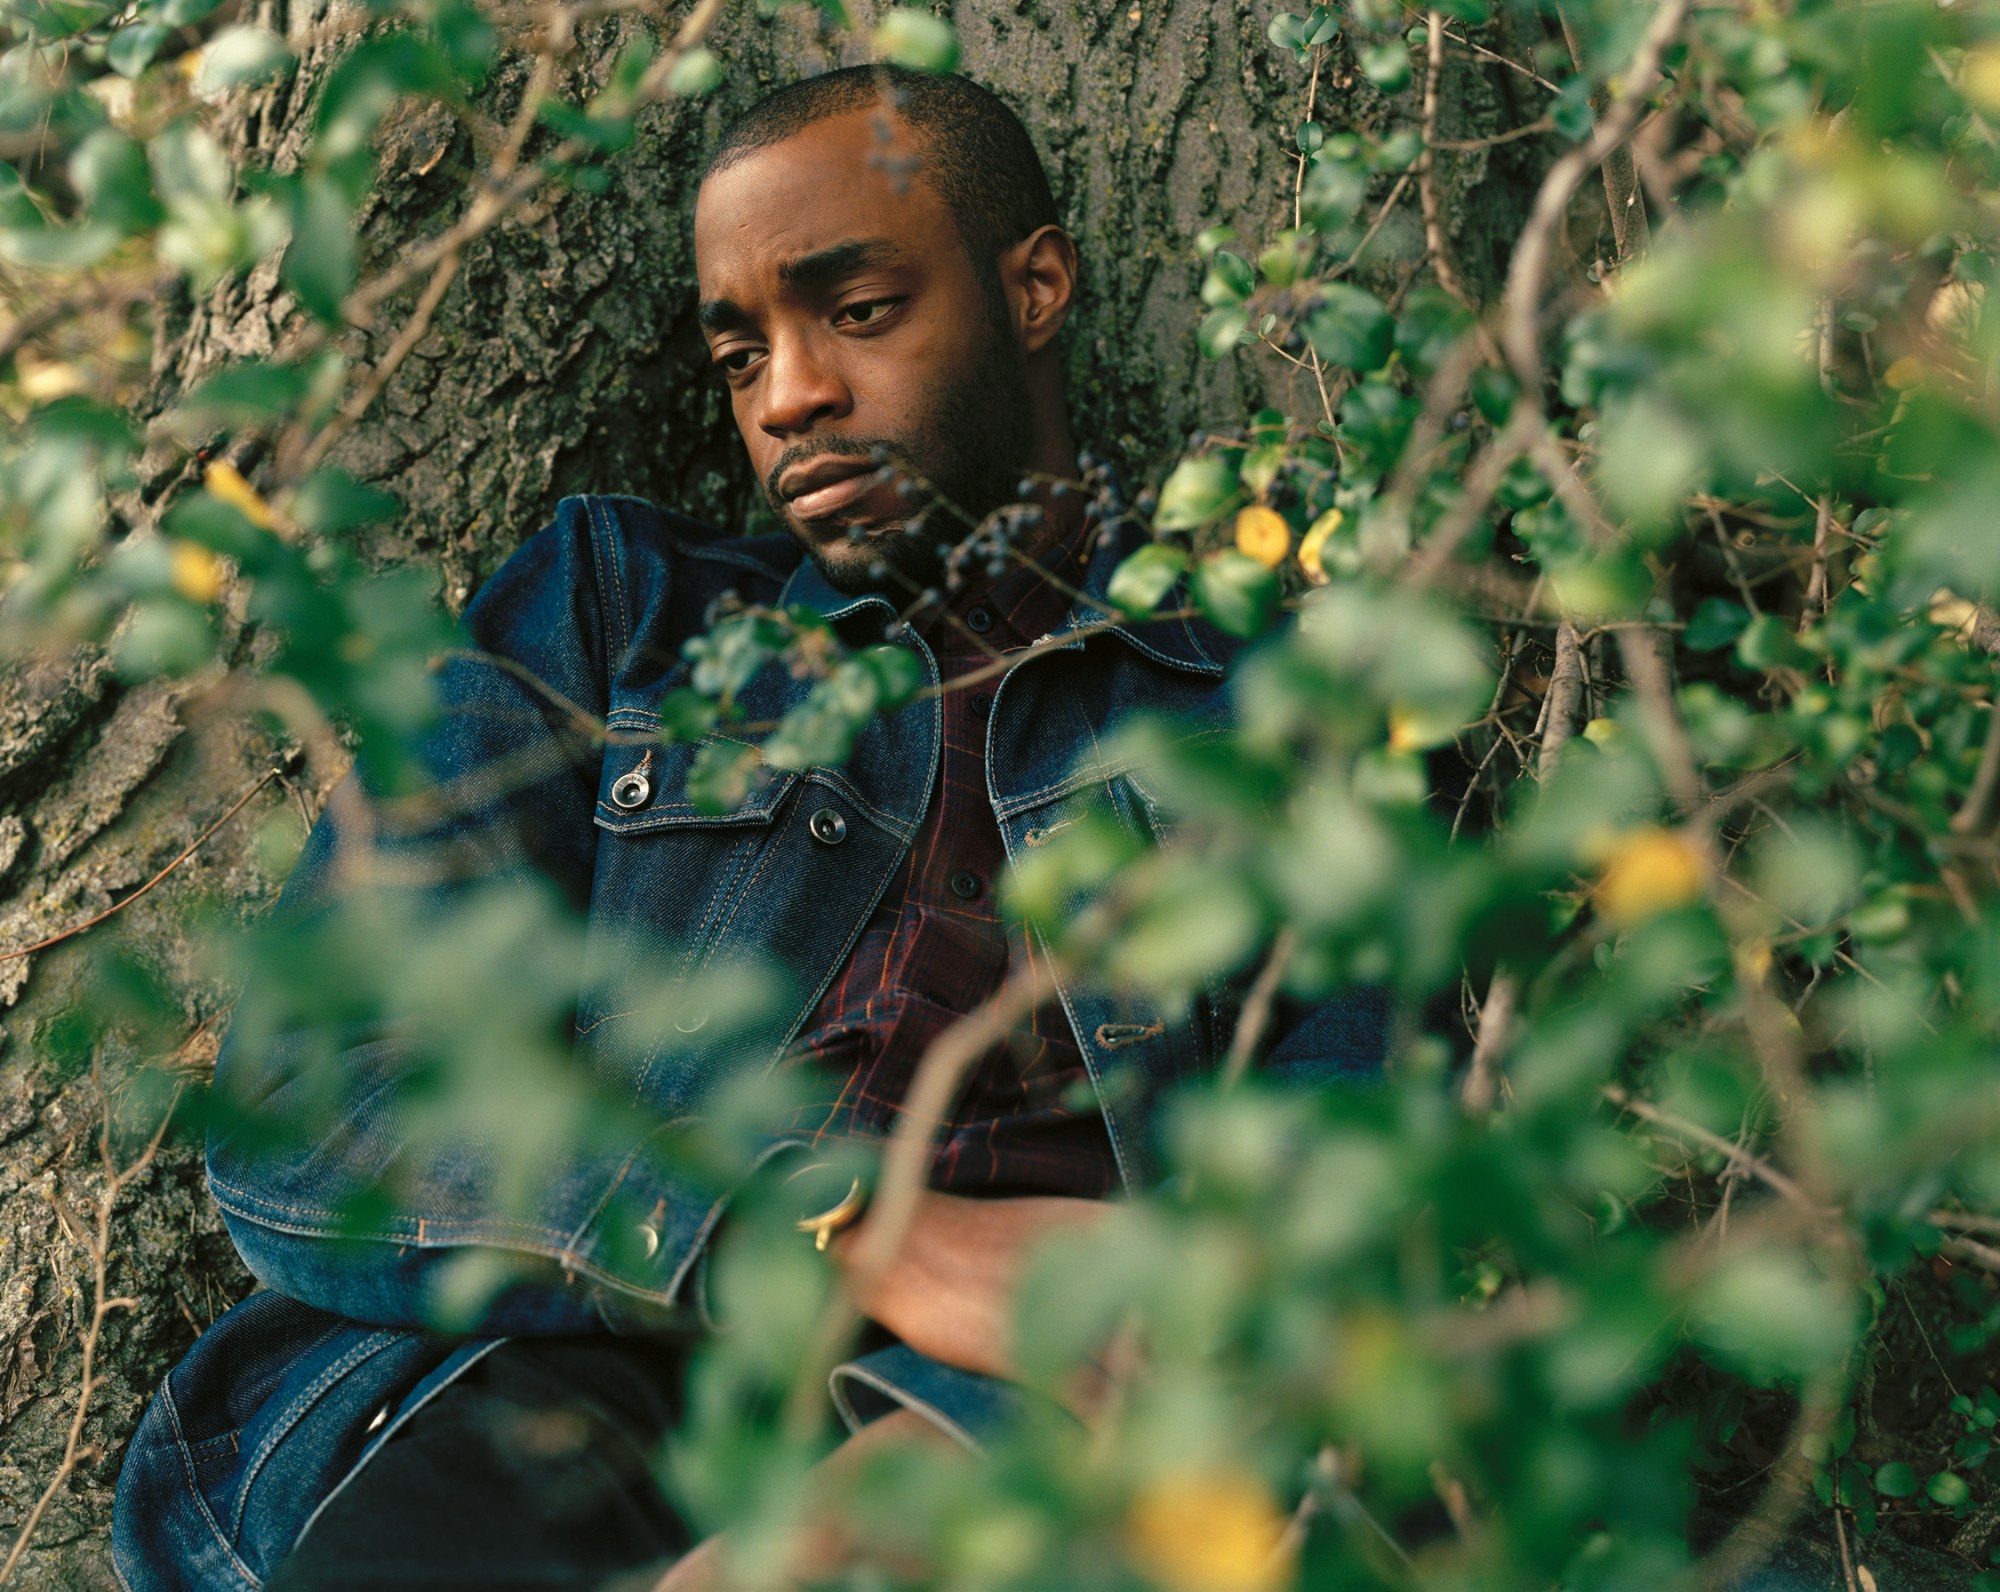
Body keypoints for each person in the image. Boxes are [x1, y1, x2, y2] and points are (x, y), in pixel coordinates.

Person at [110, 64, 1386, 1592]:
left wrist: (959, 1412)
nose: (788, 396)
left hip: (1043, 1417)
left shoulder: (1279, 713)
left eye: (855, 311)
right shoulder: (615, 614)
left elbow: (1350, 1192)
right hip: (569, 1377)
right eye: (740, 355)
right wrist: (859, 1237)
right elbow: (316, 1103)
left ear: (1033, 286)